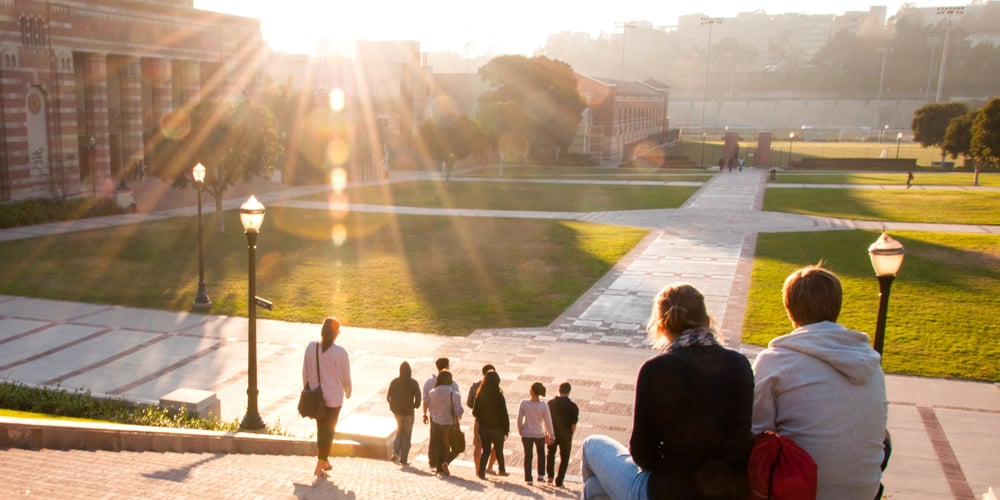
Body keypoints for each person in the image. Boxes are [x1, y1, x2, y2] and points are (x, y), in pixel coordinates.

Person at [581, 283, 754, 499]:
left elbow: (642, 455)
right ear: (707, 321)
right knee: (595, 487)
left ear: (662, 327)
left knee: (591, 447)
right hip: (731, 494)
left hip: (669, 492)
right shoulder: (739, 364)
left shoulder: (656, 369)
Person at [752, 264, 888, 499]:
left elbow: (757, 431)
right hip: (865, 490)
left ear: (789, 309)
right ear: (837, 305)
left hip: (802, 488)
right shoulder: (870, 362)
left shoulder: (776, 361)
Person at [302, 317, 352, 478]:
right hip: (334, 399)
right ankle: (319, 466)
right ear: (335, 333)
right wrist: (348, 391)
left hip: (317, 397)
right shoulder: (340, 353)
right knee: (329, 433)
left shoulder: (311, 347)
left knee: (321, 429)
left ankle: (325, 461)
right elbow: (346, 376)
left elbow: (305, 371)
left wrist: (307, 389)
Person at [471, 370, 510, 479]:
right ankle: (502, 469)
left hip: (484, 427)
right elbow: (504, 413)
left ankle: (481, 472)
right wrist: (506, 429)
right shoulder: (499, 396)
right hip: (497, 428)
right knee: (499, 449)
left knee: (486, 450)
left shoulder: (480, 394)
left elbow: (475, 412)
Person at [517, 381, 554, 485]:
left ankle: (528, 478)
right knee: (541, 454)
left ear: (532, 391)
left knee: (528, 455)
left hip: (526, 433)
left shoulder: (524, 403)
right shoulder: (543, 405)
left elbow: (519, 420)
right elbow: (548, 421)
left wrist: (521, 431)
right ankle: (541, 475)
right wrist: (551, 435)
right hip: (539, 433)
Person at [427, 370, 463, 476]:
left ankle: (439, 467)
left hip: (437, 422)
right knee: (457, 447)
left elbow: (431, 408)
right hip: (450, 423)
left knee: (440, 445)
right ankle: (446, 463)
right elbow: (458, 411)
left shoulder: (432, 393)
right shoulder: (454, 394)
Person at [386, 361, 421, 466]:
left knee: (399, 431)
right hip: (409, 412)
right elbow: (418, 397)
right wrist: (415, 405)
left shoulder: (395, 382)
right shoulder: (413, 382)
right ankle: (404, 458)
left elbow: (388, 397)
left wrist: (393, 408)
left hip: (398, 413)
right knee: (407, 435)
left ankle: (396, 452)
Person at [545, 381, 579, 487]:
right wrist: (571, 435)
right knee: (564, 458)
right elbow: (573, 425)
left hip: (552, 432)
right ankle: (559, 480)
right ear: (569, 392)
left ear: (558, 390)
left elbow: (546, 420)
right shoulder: (573, 407)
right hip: (566, 435)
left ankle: (550, 476)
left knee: (550, 454)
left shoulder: (550, 404)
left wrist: (547, 433)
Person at [467, 364, 498, 475]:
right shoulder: (497, 388)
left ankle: (477, 469)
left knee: (478, 445)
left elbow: (469, 403)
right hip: (494, 422)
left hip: (479, 420)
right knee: (498, 444)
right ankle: (489, 467)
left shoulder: (475, 386)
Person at [422, 357, 459, 427]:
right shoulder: (453, 384)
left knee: (435, 437)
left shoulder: (429, 382)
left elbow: (425, 400)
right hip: (450, 420)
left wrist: (425, 414)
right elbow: (457, 403)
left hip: (435, 419)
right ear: (447, 367)